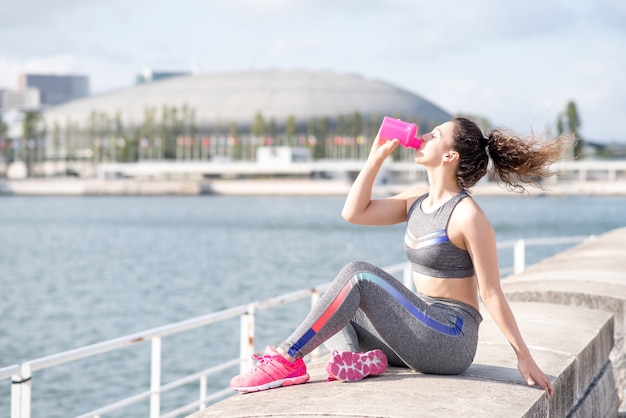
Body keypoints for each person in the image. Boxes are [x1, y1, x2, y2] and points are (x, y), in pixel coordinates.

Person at [230, 116, 570, 398]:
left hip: (450, 338)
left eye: (434, 135)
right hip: (417, 329)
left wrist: (523, 356)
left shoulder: (468, 215)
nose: (422, 136)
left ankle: (287, 359)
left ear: (450, 156)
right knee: (335, 306)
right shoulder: (415, 200)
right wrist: (376, 156)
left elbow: (492, 292)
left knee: (358, 275)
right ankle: (359, 360)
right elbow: (354, 212)